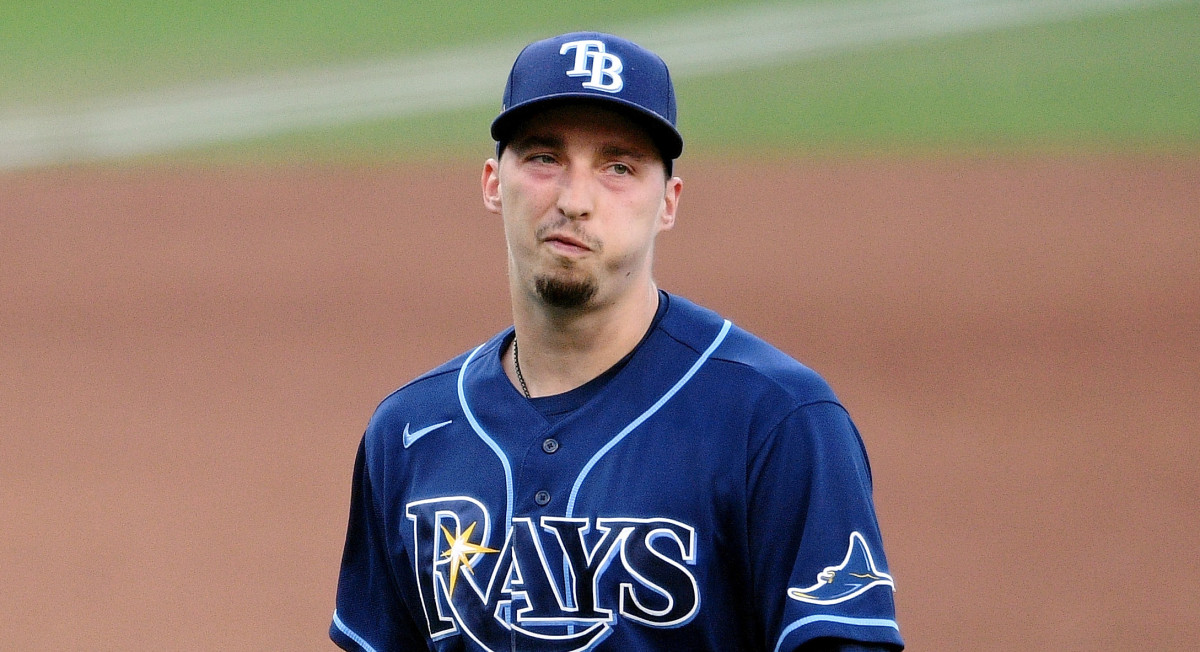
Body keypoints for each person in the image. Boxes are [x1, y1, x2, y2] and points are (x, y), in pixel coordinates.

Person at [330, 31, 903, 652]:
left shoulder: (773, 421)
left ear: (668, 203)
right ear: (495, 183)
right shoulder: (411, 430)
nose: (575, 201)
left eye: (619, 167)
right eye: (545, 158)